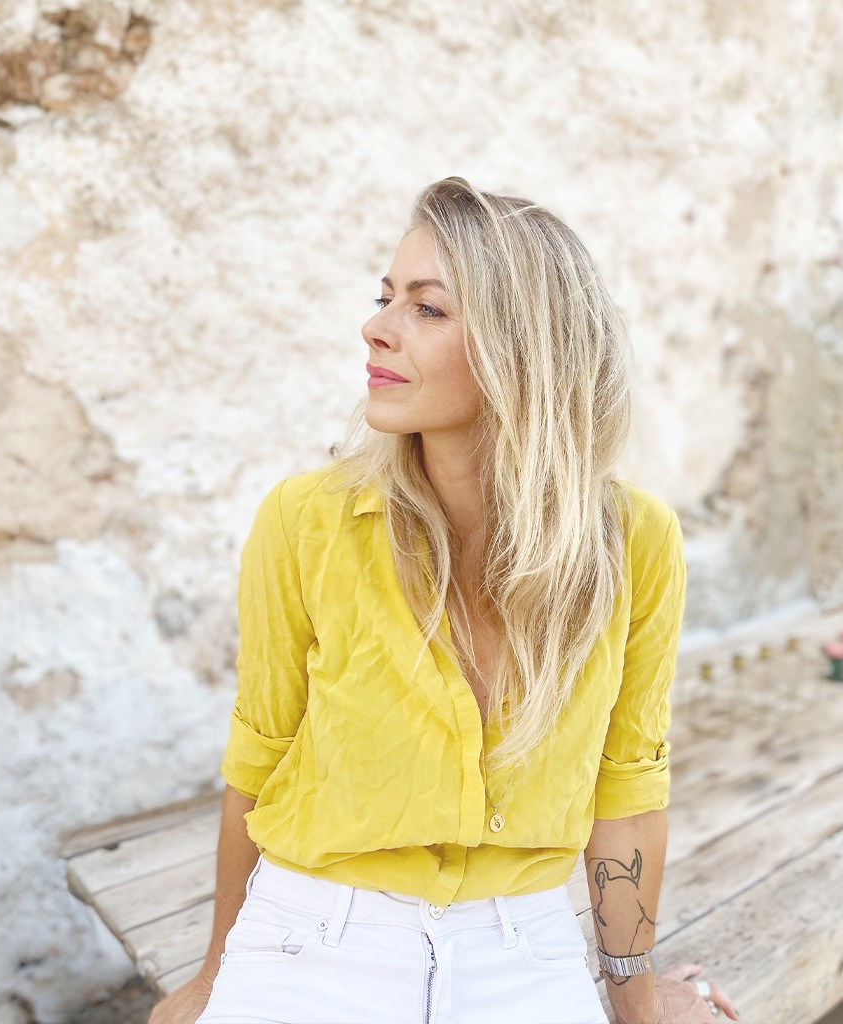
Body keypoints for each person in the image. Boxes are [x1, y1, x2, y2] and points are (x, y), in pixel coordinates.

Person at [149, 177, 740, 1024]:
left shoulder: (633, 541)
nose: (376, 326)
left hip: (524, 943)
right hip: (313, 930)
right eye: (385, 298)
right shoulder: (306, 522)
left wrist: (637, 1005)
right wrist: (215, 979)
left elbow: (627, 791)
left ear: (521, 347)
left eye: (427, 309)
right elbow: (258, 761)